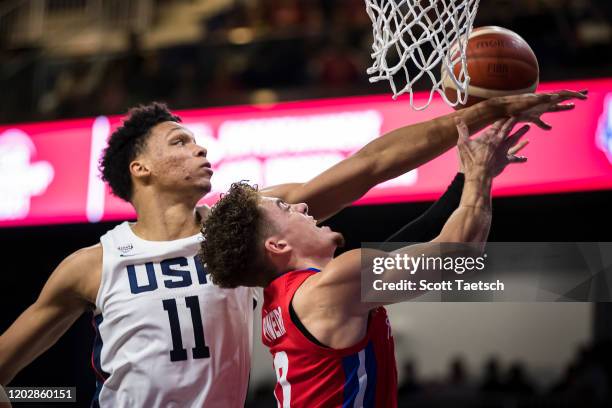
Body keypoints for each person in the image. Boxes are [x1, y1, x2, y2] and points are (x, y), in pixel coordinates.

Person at [0, 90, 585, 407]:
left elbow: (372, 164)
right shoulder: (92, 265)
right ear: (142, 169)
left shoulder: (242, 225)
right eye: (181, 142)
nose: (202, 150)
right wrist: (41, 400)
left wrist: (477, 114)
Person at [199, 117, 528, 406]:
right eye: (286, 209)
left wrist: (467, 175)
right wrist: (480, 173)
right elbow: (460, 251)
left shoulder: (293, 296)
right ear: (278, 244)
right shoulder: (329, 289)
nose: (302, 207)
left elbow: (412, 241)